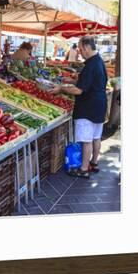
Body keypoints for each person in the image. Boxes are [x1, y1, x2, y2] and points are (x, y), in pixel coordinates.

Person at [50, 36, 108, 179]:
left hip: (88, 107)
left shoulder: (90, 65)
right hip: (99, 105)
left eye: (81, 49)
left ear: (88, 48)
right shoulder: (99, 62)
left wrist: (61, 88)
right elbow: (91, 82)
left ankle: (83, 169)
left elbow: (79, 90)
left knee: (86, 140)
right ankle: (93, 163)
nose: (80, 52)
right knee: (96, 137)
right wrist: (74, 80)